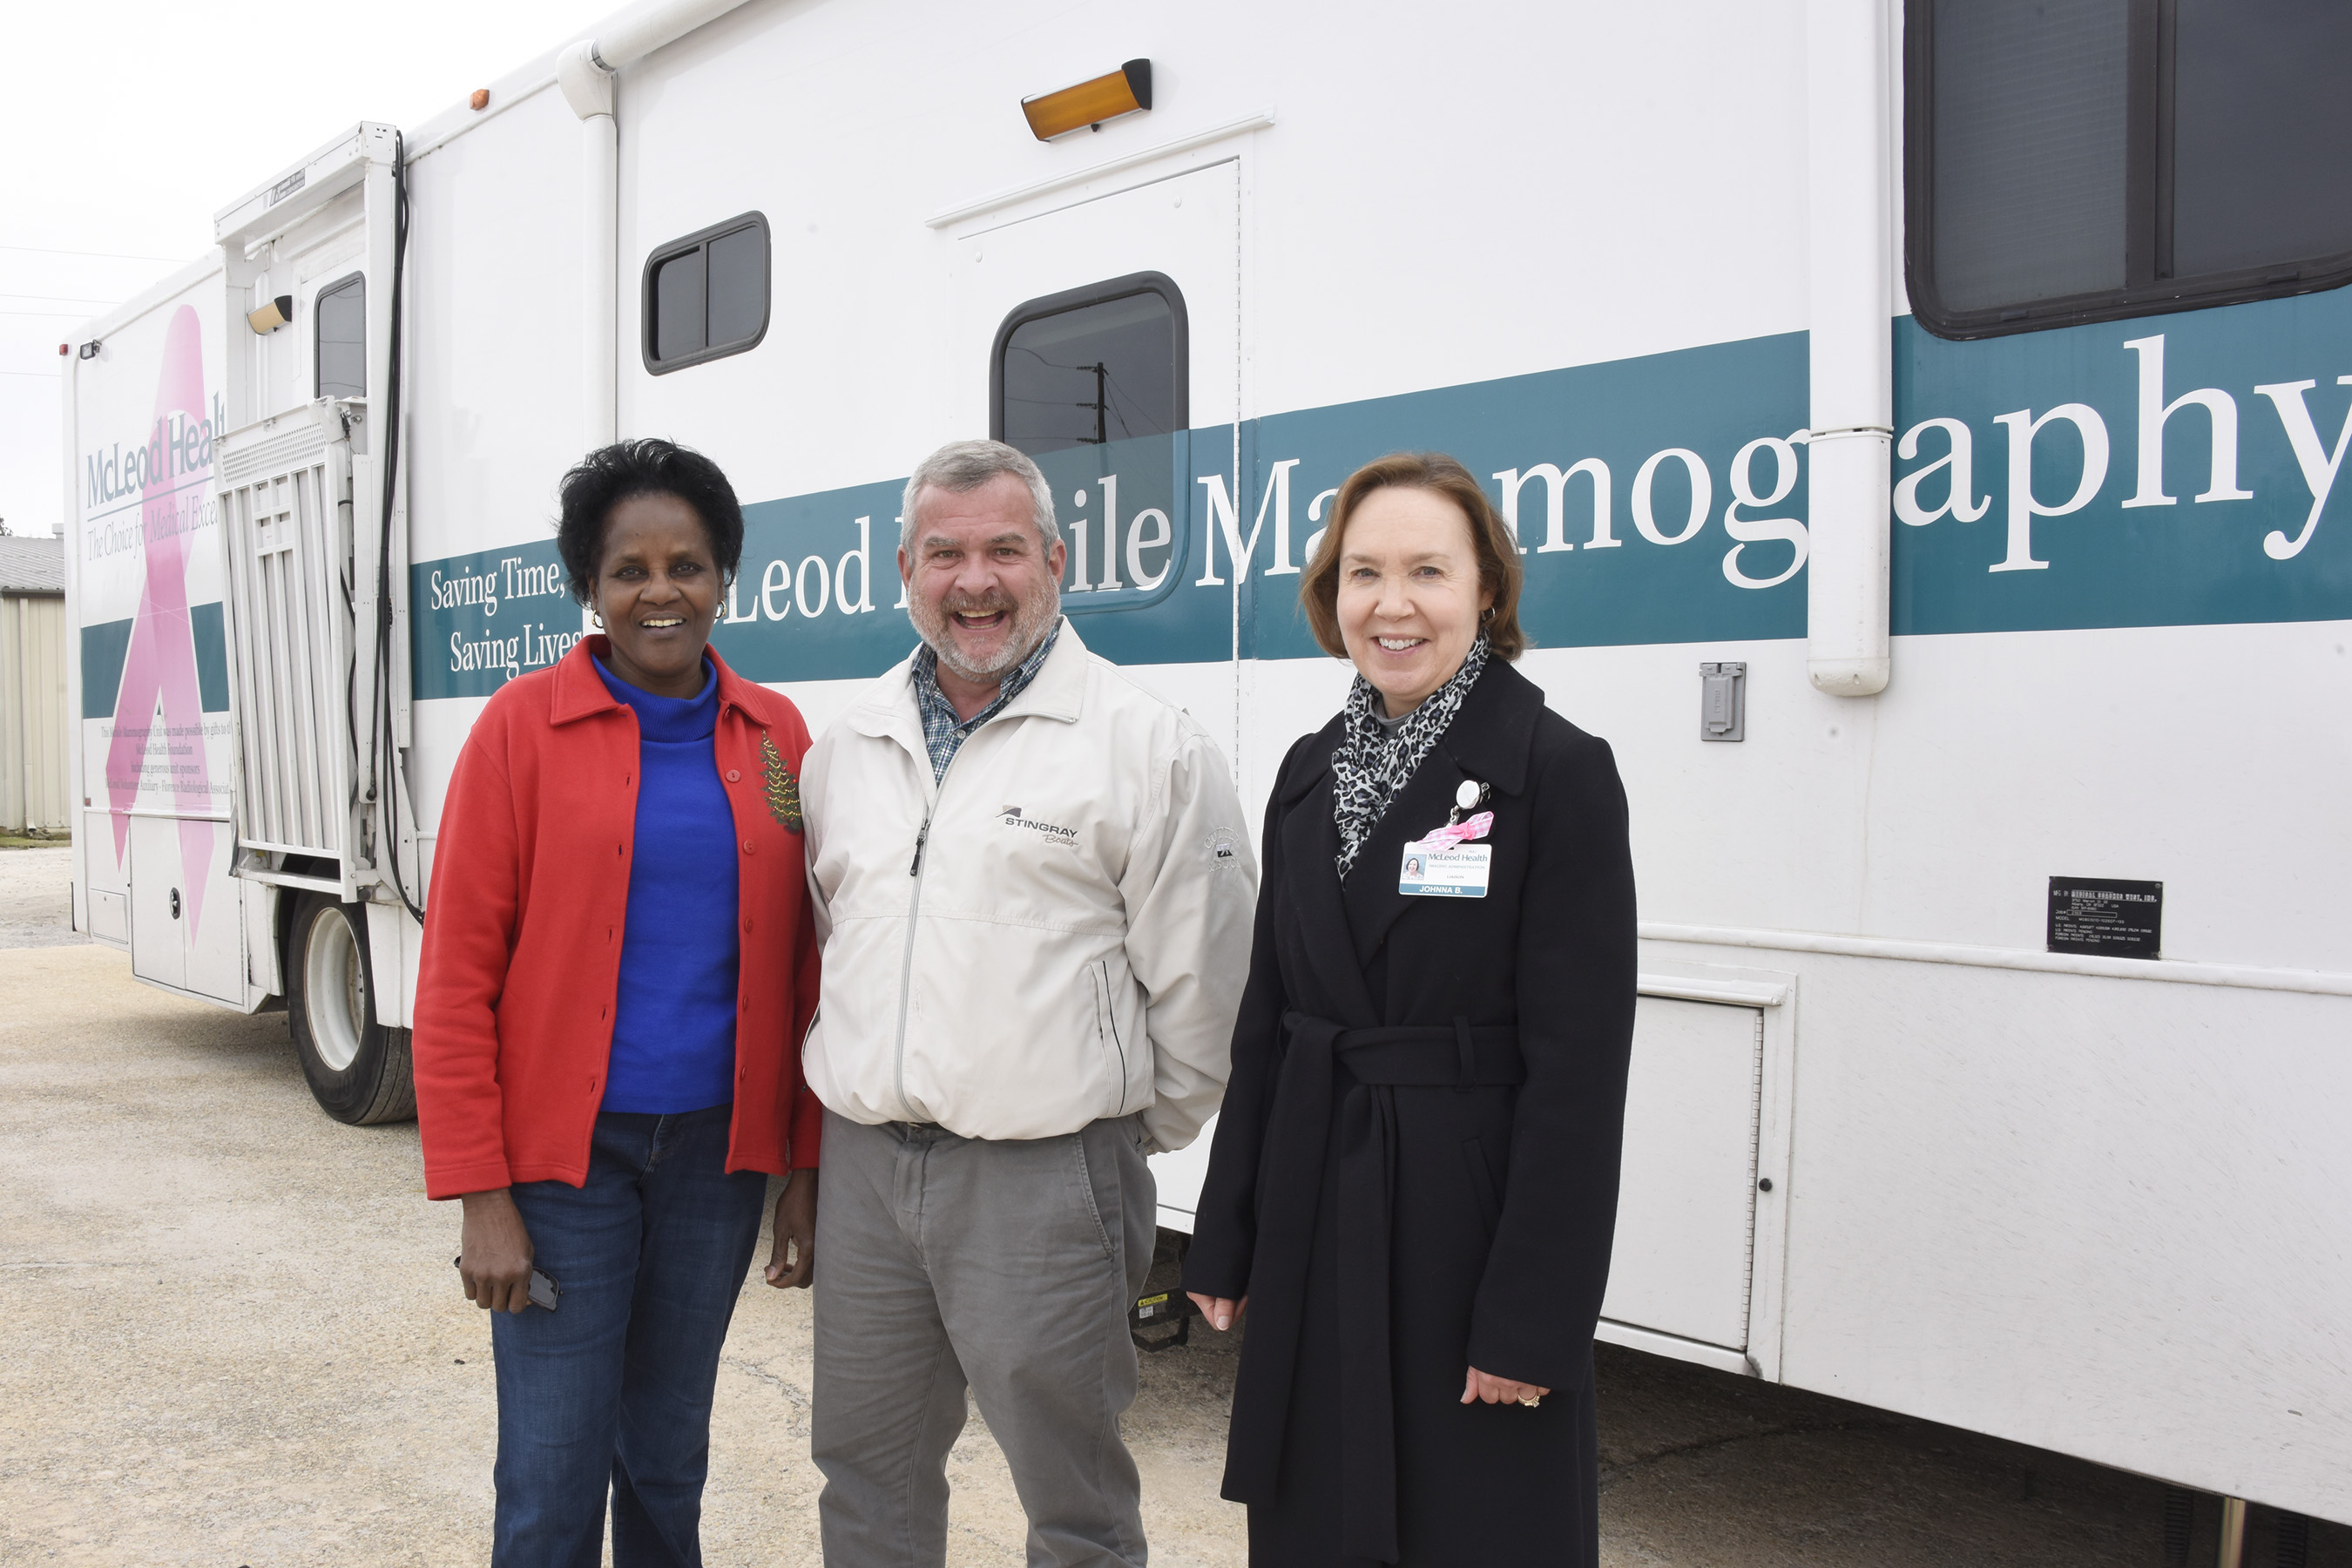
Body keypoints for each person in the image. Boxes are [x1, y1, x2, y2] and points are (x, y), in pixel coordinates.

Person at [797, 438, 1257, 1568]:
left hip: (1045, 1177)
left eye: (1004, 550)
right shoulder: (847, 745)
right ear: (905, 571)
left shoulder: (1146, 744)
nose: (975, 582)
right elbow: (834, 937)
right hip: (866, 1170)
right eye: (944, 554)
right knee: (865, 1476)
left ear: (1054, 561)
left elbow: (1208, 978)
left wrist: (1112, 1133)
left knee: (1074, 1504)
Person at [1182, 451, 1639, 1567]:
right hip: (1316, 1209)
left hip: (1464, 1232)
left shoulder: (1557, 770)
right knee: (1320, 1519)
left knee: (1474, 1523)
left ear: (1488, 590)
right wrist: (1225, 1234)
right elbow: (1268, 1024)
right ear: (1331, 594)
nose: (1393, 605)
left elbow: (1580, 1076)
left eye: (1428, 571)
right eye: (1364, 573)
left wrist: (1533, 1317)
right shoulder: (1308, 771)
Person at [413, 439, 825, 1567]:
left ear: (723, 576)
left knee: (667, 1460)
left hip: (715, 1164)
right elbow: (455, 981)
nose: (660, 592)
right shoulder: (519, 730)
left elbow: (807, 971)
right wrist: (481, 1196)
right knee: (551, 1473)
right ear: (588, 587)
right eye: (629, 569)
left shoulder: (775, 736)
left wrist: (804, 1165)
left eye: (686, 565)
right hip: (563, 1169)